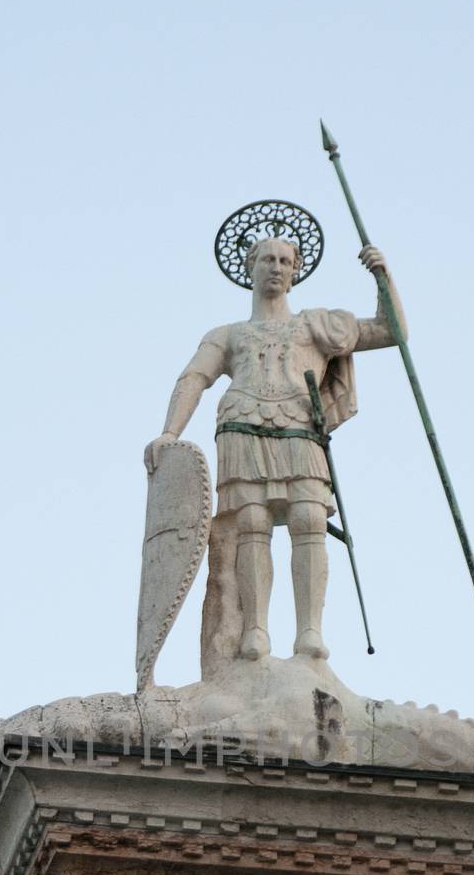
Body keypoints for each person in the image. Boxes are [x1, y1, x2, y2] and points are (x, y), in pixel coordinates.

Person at [144, 237, 406, 661]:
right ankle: (255, 631)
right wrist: (169, 433)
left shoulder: (317, 325)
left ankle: (310, 633)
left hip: (300, 424)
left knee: (309, 518)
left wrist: (383, 278)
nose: (277, 267)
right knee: (251, 522)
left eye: (286, 260)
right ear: (251, 265)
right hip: (242, 424)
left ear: (296, 269)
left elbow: (391, 330)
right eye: (268, 258)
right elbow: (193, 377)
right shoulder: (228, 334)